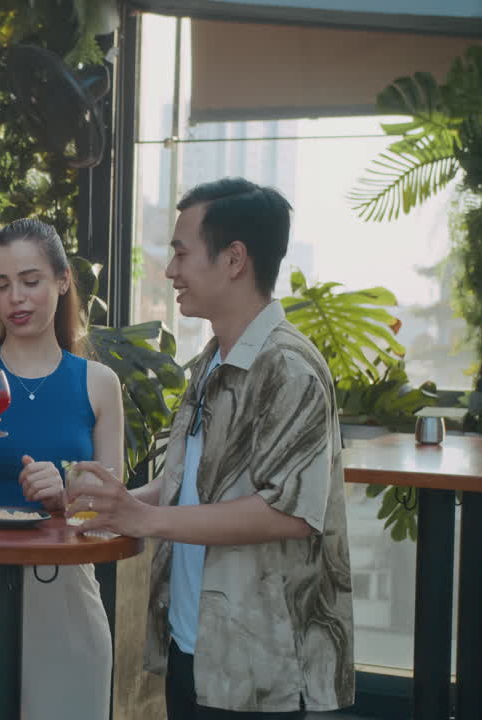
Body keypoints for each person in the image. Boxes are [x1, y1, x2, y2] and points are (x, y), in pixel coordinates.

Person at [71, 178, 354, 719]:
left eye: (180, 252)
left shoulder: (289, 368)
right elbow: (188, 483)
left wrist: (146, 519)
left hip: (261, 669)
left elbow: (289, 513)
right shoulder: (212, 362)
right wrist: (119, 502)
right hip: (194, 648)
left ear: (234, 259)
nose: (170, 271)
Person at [0, 217, 124, 720]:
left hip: (66, 597)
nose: (16, 298)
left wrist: (65, 500)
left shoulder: (99, 383)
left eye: (31, 281)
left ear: (61, 281)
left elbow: (112, 515)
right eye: (1, 285)